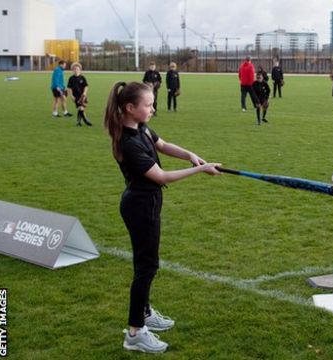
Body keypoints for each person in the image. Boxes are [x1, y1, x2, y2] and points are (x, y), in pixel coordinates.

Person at [104, 81, 222, 353]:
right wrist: (201, 169)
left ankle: (144, 313)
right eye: (148, 105)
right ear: (130, 108)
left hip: (148, 202)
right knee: (146, 268)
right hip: (139, 206)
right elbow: (161, 176)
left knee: (146, 264)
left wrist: (190, 155)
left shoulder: (141, 128)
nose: (152, 109)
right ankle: (135, 332)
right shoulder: (128, 141)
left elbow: (163, 144)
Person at [66, 63, 92, 127]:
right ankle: (86, 120)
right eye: (74, 69)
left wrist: (85, 93)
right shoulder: (71, 78)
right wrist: (71, 96)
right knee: (80, 108)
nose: (76, 70)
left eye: (77, 69)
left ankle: (78, 122)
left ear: (80, 70)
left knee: (81, 108)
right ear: (72, 70)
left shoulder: (82, 77)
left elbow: (86, 86)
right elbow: (69, 88)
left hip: (83, 95)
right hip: (76, 96)